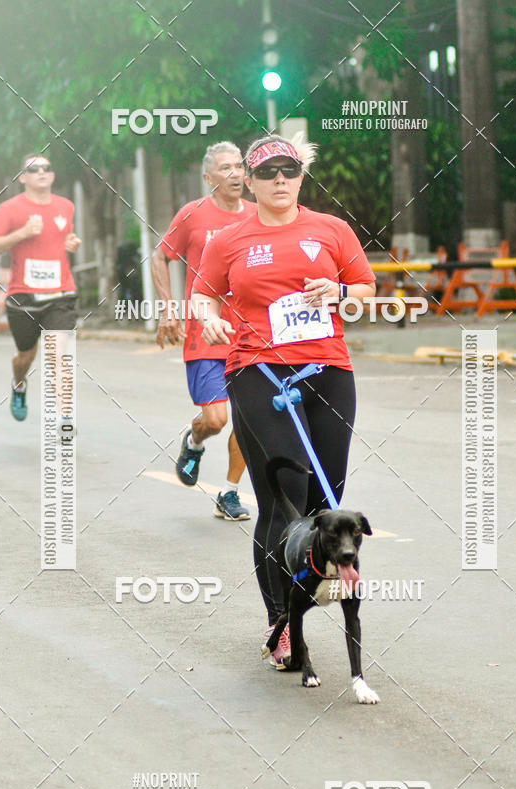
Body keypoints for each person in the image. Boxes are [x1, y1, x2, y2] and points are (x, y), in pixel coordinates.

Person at [191, 134, 376, 666]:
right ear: (248, 181)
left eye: (288, 171)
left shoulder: (331, 229)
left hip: (329, 372)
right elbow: (202, 294)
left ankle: (310, 595)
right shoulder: (229, 239)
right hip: (258, 372)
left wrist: (337, 293)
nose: (280, 180)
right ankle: (280, 624)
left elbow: (364, 287)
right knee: (285, 495)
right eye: (268, 172)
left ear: (300, 177)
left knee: (324, 502)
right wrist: (210, 317)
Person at [152, 141, 256, 521]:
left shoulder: (260, 216)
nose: (235, 174)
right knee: (216, 420)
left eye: (239, 167)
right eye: (225, 168)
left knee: (248, 419)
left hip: (250, 334)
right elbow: (160, 258)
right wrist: (168, 310)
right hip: (204, 333)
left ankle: (229, 493)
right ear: (208, 177)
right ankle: (195, 441)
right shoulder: (193, 215)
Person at [0, 153, 81, 422]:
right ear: (23, 177)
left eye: (46, 167)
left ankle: (64, 420)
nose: (41, 172)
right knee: (25, 356)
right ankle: (19, 383)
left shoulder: (66, 206)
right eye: (33, 168)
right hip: (22, 295)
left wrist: (70, 243)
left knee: (59, 353)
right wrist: (21, 234)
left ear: (52, 175)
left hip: (60, 292)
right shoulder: (10, 209)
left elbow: (60, 240)